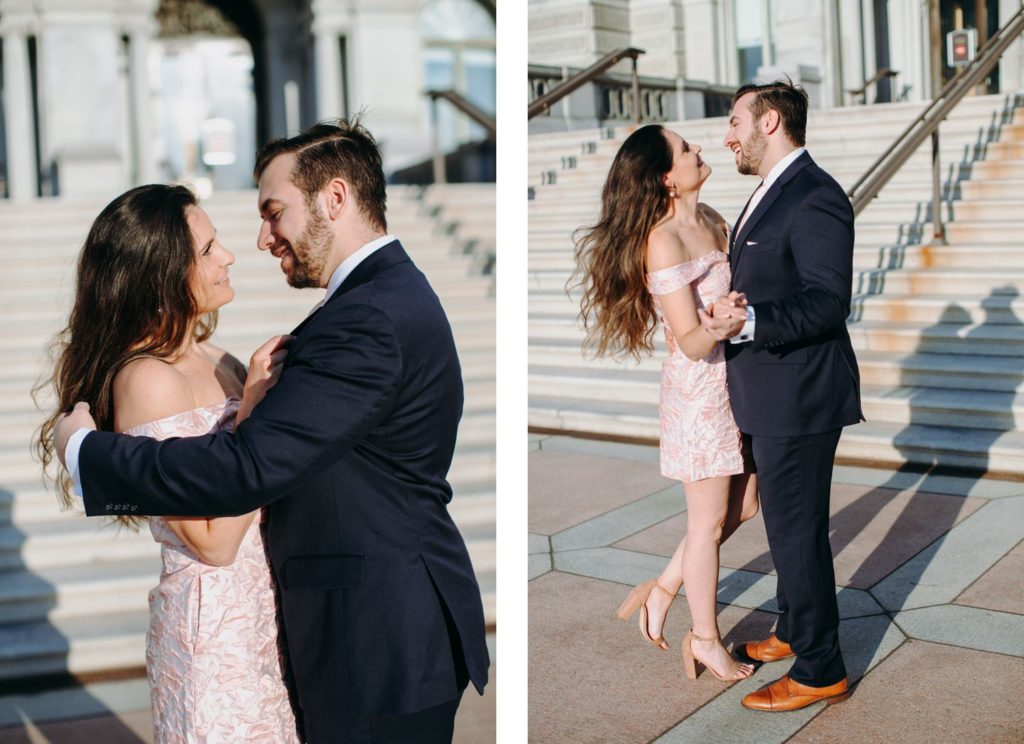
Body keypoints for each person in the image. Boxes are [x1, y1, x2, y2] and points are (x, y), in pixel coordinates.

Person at [53, 119, 489, 743]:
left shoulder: (362, 319)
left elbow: (245, 468)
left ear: (334, 199)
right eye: (210, 248)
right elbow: (219, 522)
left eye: (273, 211)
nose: (254, 242)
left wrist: (87, 454)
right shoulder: (378, 300)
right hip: (255, 637)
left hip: (371, 642)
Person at [35, 184, 299, 742]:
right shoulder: (147, 380)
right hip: (212, 637)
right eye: (206, 250)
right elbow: (213, 542)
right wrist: (253, 410)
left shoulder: (218, 358)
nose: (228, 256)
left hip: (263, 615)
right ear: (160, 272)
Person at [573, 124, 761, 682]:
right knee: (705, 525)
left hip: (737, 382)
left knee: (745, 506)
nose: (699, 150)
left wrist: (734, 311)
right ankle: (706, 640)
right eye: (686, 149)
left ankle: (662, 588)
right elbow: (692, 339)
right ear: (665, 177)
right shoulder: (663, 240)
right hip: (700, 392)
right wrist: (721, 322)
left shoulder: (716, 220)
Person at [699, 80, 863, 711]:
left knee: (797, 535)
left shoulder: (816, 195)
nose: (728, 134)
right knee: (789, 526)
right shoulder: (768, 191)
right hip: (771, 394)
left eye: (736, 120)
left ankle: (822, 668)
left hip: (800, 395)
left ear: (769, 122)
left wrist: (750, 321)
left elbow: (827, 300)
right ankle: (795, 629)